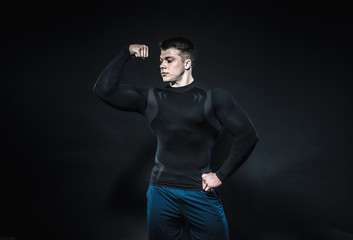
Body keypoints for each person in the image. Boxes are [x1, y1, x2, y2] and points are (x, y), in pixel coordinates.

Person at [93, 37, 259, 240]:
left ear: (187, 63)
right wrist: (125, 52)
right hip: (161, 193)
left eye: (169, 60)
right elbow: (104, 90)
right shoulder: (151, 98)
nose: (162, 65)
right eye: (161, 60)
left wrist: (221, 175)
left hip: (199, 194)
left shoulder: (214, 98)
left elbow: (248, 135)